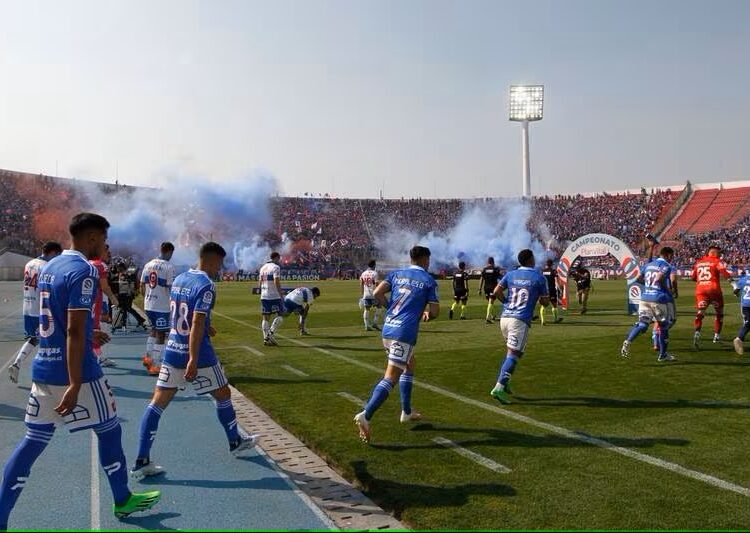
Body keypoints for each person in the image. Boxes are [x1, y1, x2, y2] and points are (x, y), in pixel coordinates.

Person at [0, 213, 160, 530]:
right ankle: (123, 499)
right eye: (103, 239)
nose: (105, 245)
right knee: (110, 429)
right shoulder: (84, 271)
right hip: (79, 372)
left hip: (44, 366)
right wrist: (75, 382)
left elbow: (59, 321)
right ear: (91, 238)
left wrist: (87, 334)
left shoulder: (50, 267)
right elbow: (72, 329)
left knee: (32, 443)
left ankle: (1, 517)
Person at [130, 242, 257, 482]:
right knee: (223, 394)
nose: (220, 269)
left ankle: (141, 460)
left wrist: (206, 325)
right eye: (219, 264)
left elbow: (181, 312)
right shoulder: (206, 285)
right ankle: (235, 441)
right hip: (197, 353)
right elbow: (196, 322)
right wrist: (193, 358)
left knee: (157, 403)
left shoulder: (180, 278)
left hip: (173, 347)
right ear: (211, 260)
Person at [354, 246, 439, 443]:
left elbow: (377, 293)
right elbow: (434, 312)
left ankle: (406, 412)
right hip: (404, 332)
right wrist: (425, 314)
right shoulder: (428, 280)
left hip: (388, 327)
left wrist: (391, 308)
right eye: (429, 259)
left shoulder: (396, 274)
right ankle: (366, 415)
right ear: (425, 259)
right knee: (391, 376)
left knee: (410, 363)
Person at [489, 249, 550, 404]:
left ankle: (506, 381)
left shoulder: (511, 274)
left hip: (504, 318)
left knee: (516, 353)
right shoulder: (539, 277)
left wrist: (507, 303)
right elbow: (545, 302)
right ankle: (499, 387)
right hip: (519, 320)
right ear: (531, 259)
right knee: (513, 354)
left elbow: (496, 292)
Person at [8, 241, 63, 384]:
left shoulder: (29, 263)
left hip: (27, 306)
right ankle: (45, 373)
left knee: (33, 338)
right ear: (52, 253)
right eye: (57, 255)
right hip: (41, 309)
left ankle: (17, 363)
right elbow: (49, 288)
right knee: (49, 340)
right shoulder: (47, 266)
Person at [621, 247, 678, 362]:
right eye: (672, 256)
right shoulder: (666, 266)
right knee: (664, 327)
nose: (672, 258)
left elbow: (638, 279)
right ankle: (663, 355)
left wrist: (648, 285)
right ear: (667, 255)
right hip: (658, 299)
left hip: (645, 298)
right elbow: (659, 278)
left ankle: (628, 342)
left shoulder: (649, 265)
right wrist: (668, 290)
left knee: (642, 324)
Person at [140, 242, 176, 375]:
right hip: (162, 306)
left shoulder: (148, 264)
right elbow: (171, 287)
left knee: (153, 330)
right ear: (169, 252)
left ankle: (148, 357)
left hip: (148, 304)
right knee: (161, 334)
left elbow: (141, 285)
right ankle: (155, 364)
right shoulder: (168, 267)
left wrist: (149, 297)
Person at [691, 245, 732, 349]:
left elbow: (693, 277)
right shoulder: (716, 261)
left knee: (700, 313)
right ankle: (716, 336)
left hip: (701, 290)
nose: (720, 255)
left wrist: (702, 282)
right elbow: (724, 272)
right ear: (713, 253)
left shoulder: (699, 262)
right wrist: (733, 283)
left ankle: (697, 333)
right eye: (719, 253)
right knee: (719, 313)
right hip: (714, 290)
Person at [91, 244, 119, 368]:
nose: (108, 254)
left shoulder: (88, 262)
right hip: (99, 298)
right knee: (104, 326)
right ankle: (99, 357)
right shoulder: (100, 265)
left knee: (93, 327)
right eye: (106, 251)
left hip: (89, 299)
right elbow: (104, 286)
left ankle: (97, 356)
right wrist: (113, 298)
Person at [258, 251, 283, 346]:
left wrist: (262, 291)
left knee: (265, 317)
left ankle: (265, 338)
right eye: (279, 259)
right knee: (280, 315)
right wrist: (281, 294)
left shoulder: (262, 268)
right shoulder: (276, 267)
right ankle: (271, 334)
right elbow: (276, 280)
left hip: (264, 295)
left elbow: (259, 282)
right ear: (276, 258)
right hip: (274, 295)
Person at [478, 257, 501, 324]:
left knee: (490, 302)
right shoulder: (495, 269)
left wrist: (479, 289)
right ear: (493, 262)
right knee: (491, 302)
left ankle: (492, 316)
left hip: (486, 288)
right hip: (493, 288)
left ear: (487, 262)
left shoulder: (484, 270)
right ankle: (488, 318)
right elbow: (500, 277)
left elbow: (481, 279)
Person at [360, 260, 381, 331]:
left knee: (367, 309)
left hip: (366, 294)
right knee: (379, 306)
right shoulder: (375, 273)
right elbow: (377, 284)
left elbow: (361, 284)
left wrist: (362, 294)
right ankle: (375, 323)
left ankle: (366, 325)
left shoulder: (363, 273)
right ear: (374, 265)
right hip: (374, 293)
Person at [731, 272, 750, 355]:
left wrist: (737, 295)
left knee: (747, 323)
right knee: (748, 324)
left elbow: (736, 291)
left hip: (745, 305)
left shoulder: (742, 279)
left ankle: (739, 339)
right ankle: (739, 338)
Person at [539, 259, 562, 325]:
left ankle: (543, 321)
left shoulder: (542, 271)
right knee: (554, 305)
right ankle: (555, 319)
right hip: (552, 289)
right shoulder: (554, 271)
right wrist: (560, 289)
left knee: (543, 305)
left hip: (544, 290)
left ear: (546, 264)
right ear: (552, 265)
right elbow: (556, 281)